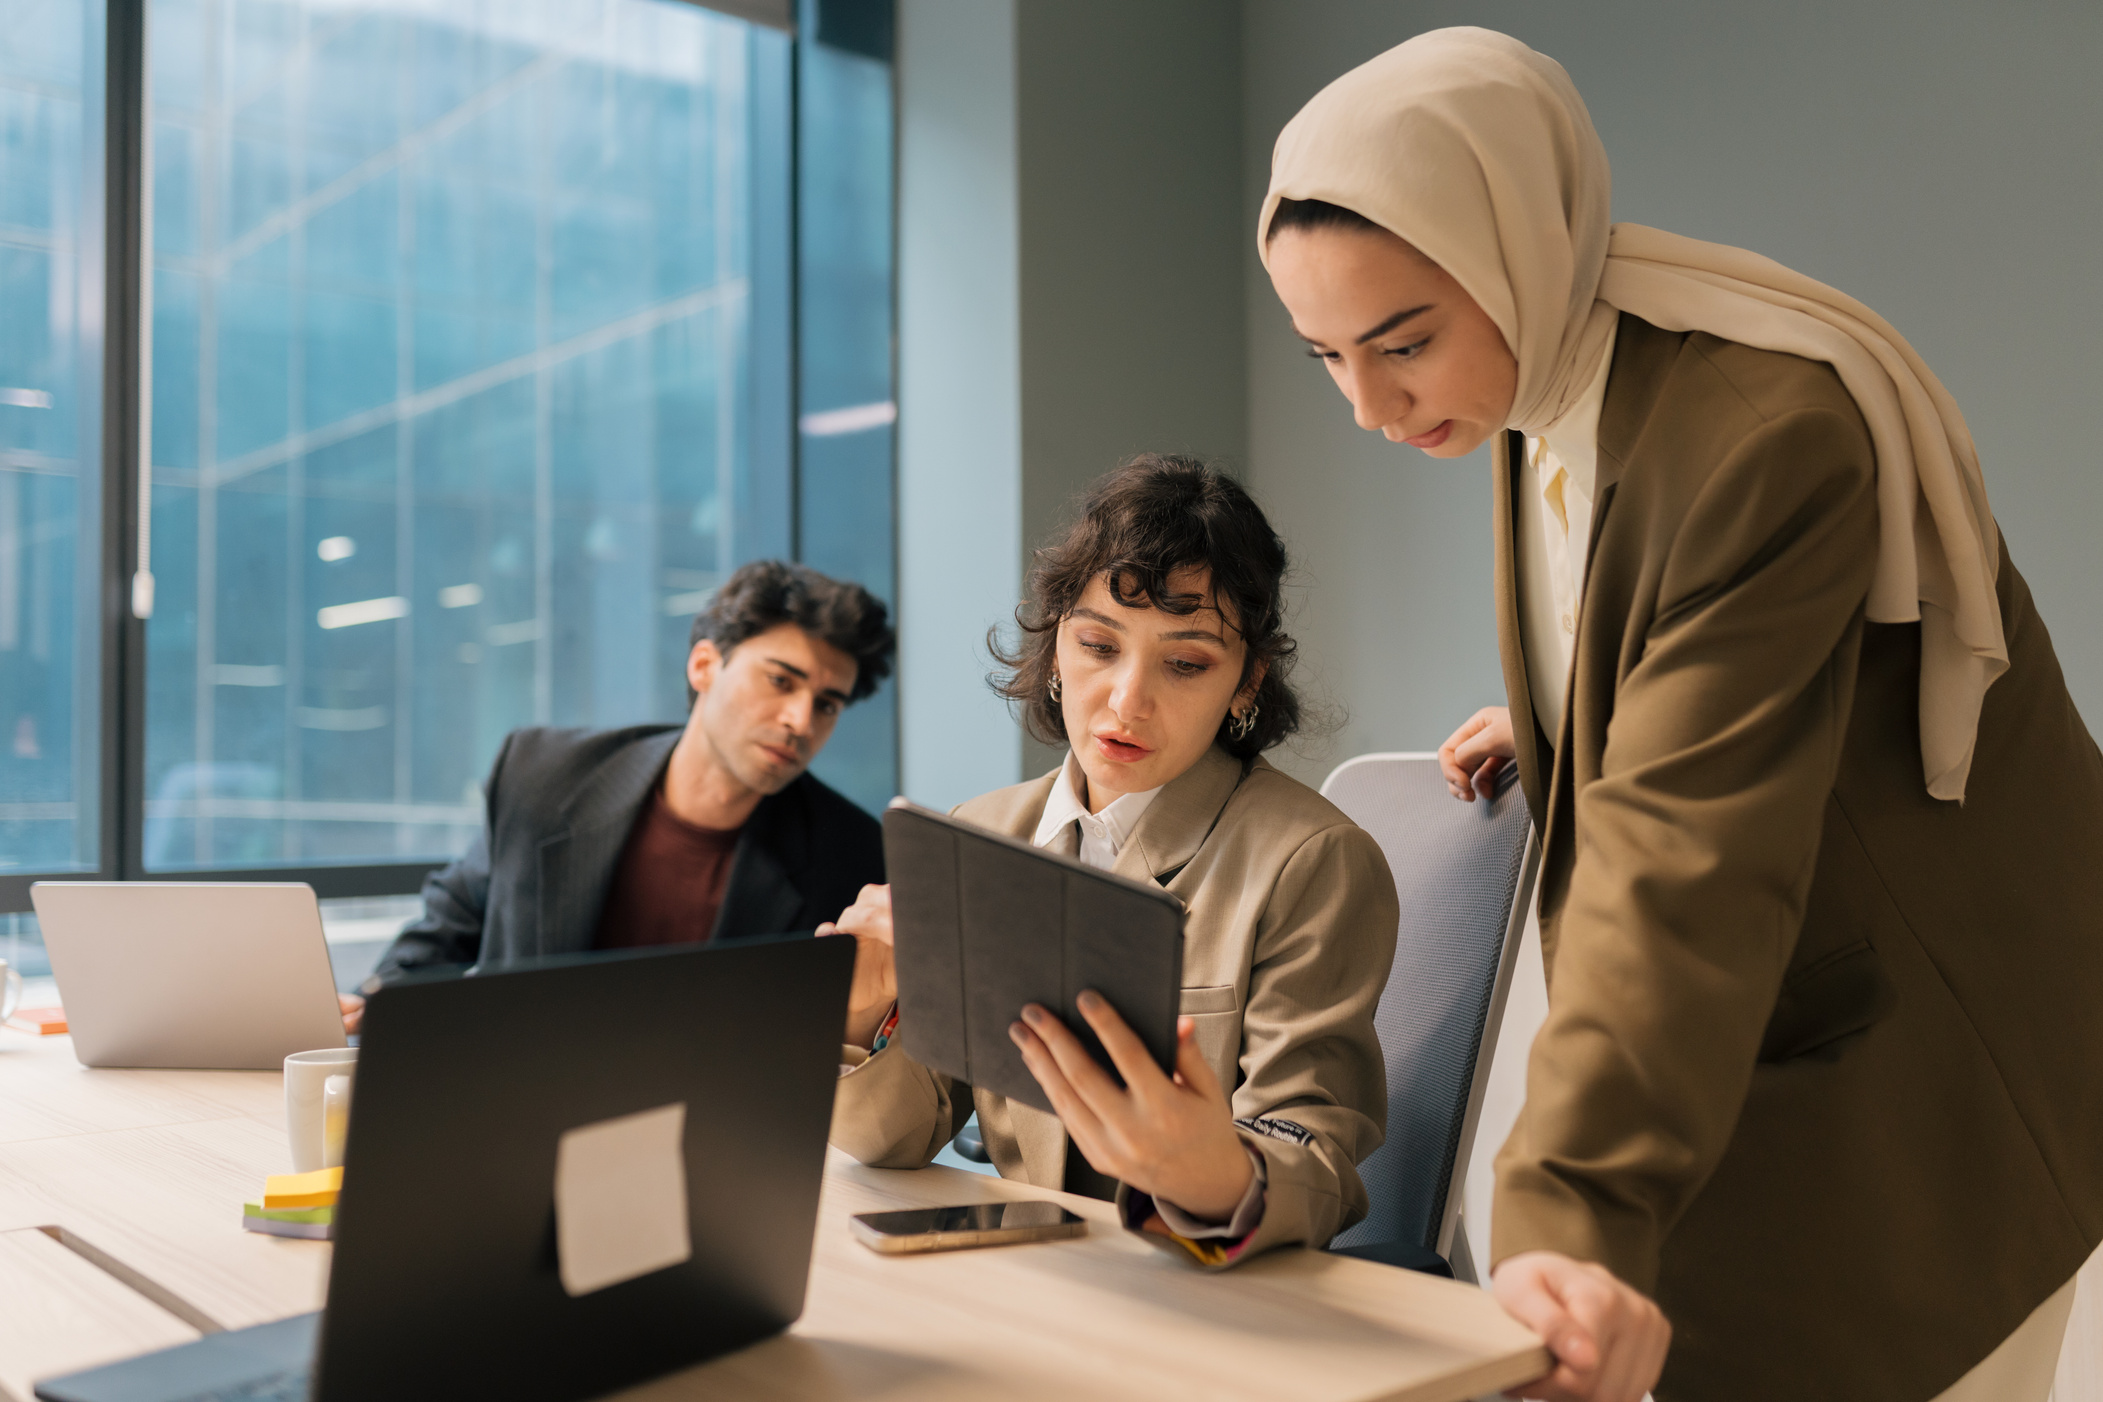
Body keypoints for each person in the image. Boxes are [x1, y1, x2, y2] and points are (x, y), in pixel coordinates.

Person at [1257, 27, 2103, 1402]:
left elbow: (1682, 858)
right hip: (1791, 1043)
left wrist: (1566, 1210)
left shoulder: (1763, 435)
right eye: (1323, 356)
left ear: (1519, 246)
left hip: (1943, 1063)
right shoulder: (1537, 377)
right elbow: (1652, 618)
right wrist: (1567, 716)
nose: (1366, 403)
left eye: (1400, 341)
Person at [825, 456, 1398, 1265]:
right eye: (1098, 644)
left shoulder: (1314, 861)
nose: (1127, 699)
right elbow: (903, 1133)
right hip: (1026, 1281)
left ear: (1246, 682)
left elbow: (1315, 1163)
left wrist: (1214, 1173)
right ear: (1055, 648)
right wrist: (855, 1014)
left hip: (1195, 1297)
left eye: (1186, 662)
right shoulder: (980, 832)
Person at [347, 560, 894, 1028]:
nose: (800, 720)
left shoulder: (850, 853)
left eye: (827, 704)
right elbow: (451, 924)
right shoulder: (544, 774)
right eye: (781, 680)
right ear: (704, 665)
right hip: (514, 1104)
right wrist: (371, 1007)